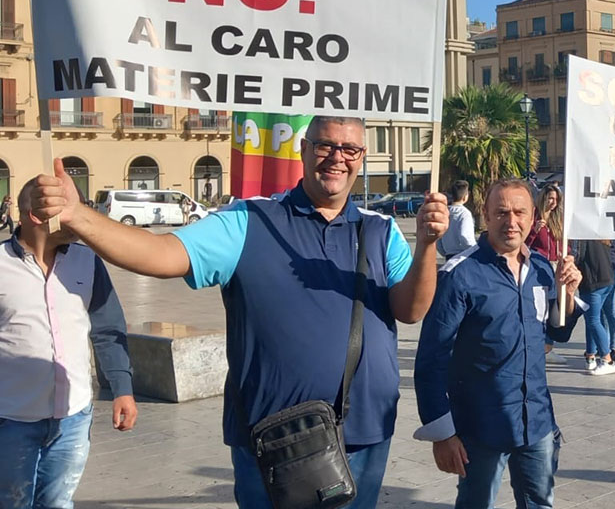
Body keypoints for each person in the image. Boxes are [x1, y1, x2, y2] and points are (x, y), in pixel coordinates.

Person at [28, 116, 449, 508]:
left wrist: (427, 245)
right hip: (273, 440)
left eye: (350, 150)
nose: (338, 157)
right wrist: (78, 215)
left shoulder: (379, 230)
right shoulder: (249, 220)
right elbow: (160, 254)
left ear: (361, 158)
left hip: (365, 434)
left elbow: (410, 310)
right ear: (303, 150)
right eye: (325, 146)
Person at [414, 179, 583, 509]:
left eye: (520, 212)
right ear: (485, 215)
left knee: (540, 503)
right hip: (480, 426)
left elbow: (557, 333)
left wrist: (570, 297)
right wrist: (442, 434)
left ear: (534, 216)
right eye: (502, 212)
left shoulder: (541, 270)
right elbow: (431, 359)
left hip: (536, 421)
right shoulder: (460, 275)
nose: (511, 221)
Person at [1, 178, 138, 509]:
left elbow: (107, 328)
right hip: (10, 420)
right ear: (37, 216)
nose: (81, 218)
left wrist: (122, 387)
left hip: (74, 418)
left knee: (58, 502)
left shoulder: (87, 261)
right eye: (70, 211)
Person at [527, 184, 568, 365]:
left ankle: (548, 346)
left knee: (556, 307)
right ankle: (541, 346)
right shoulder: (534, 218)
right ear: (543, 198)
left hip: (556, 265)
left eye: (556, 199)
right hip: (539, 265)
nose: (553, 202)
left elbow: (566, 243)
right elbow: (525, 243)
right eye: (550, 198)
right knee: (541, 307)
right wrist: (534, 231)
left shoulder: (558, 219)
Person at [573, 238, 615, 376]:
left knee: (593, 320)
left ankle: (607, 360)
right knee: (592, 318)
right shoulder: (601, 234)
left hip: (592, 281)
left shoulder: (581, 236)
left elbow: (577, 256)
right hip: (606, 278)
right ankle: (590, 356)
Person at [439, 180, 477, 260]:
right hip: (463, 256)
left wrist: (443, 251)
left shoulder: (444, 212)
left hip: (448, 255)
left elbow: (438, 237)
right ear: (465, 196)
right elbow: (465, 237)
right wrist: (475, 250)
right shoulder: (464, 214)